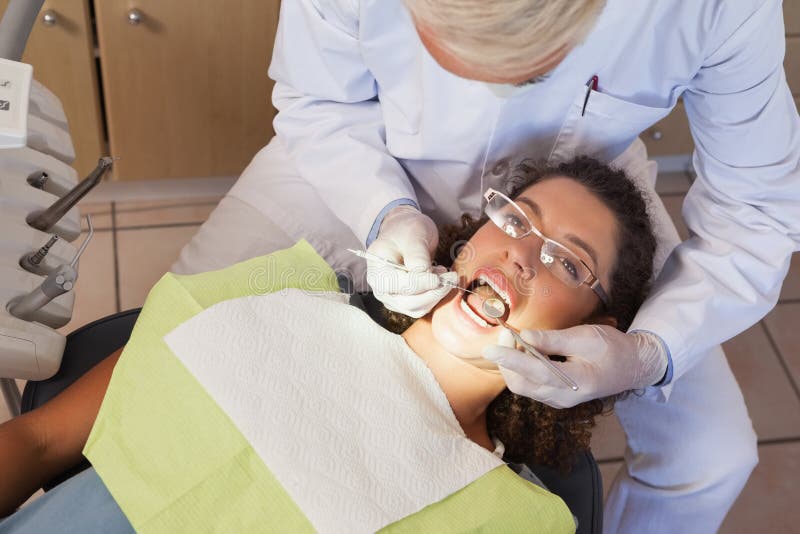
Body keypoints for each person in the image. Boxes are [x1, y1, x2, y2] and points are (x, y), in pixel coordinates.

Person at [170, 1, 799, 530]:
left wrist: (650, 352)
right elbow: (319, 101)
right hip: (360, 152)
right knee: (180, 334)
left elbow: (758, 213)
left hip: (582, 193)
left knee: (709, 456)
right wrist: (383, 212)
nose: (515, 258)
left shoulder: (718, 10)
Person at [0, 158, 656, 531]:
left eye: (569, 264)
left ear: (591, 338)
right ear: (472, 236)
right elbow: (37, 442)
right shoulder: (275, 301)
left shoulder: (513, 520)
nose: (520, 257)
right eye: (514, 219)